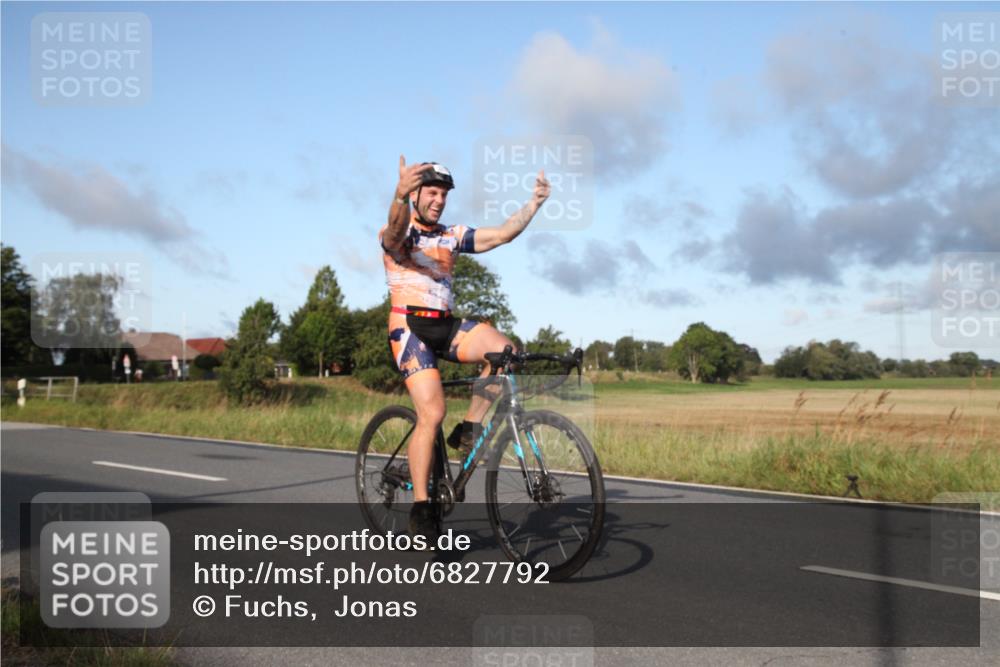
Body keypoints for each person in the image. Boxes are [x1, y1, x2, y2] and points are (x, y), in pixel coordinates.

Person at [379, 156, 550, 540]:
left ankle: (470, 428)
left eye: (444, 194)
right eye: (432, 193)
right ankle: (422, 508)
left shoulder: (450, 235)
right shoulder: (401, 234)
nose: (439, 200)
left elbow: (501, 234)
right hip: (409, 327)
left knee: (506, 353)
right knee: (433, 412)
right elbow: (392, 231)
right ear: (416, 193)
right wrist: (399, 196)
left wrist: (534, 204)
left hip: (445, 325)